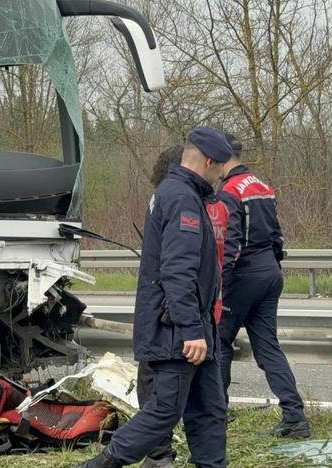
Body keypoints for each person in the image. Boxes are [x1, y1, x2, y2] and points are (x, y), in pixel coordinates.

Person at [78, 127, 231, 468]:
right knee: (164, 411)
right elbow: (177, 271)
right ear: (208, 161)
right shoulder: (181, 198)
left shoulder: (177, 191)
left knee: (209, 409)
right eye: (220, 168)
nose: (221, 176)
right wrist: (191, 328)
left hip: (191, 326)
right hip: (176, 329)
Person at [135, 145, 231, 468]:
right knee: (191, 405)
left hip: (181, 321)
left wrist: (191, 326)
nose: (222, 175)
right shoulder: (203, 203)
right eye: (220, 167)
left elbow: (178, 270)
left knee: (173, 403)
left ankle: (159, 456)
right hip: (193, 317)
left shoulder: (179, 199)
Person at [217, 133, 309, 438]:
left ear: (223, 157)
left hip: (243, 275)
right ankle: (294, 417)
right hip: (269, 272)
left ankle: (216, 413)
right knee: (268, 348)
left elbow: (230, 246)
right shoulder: (262, 185)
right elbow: (276, 234)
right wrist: (273, 265)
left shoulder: (230, 191)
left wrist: (219, 284)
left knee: (219, 343)